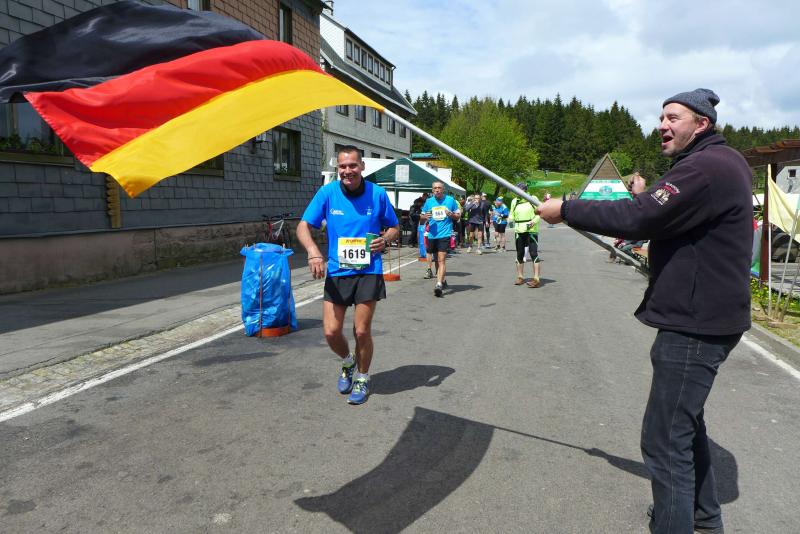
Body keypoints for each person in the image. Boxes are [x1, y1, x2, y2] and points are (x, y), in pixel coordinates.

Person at [536, 89, 752, 534]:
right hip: (705, 317)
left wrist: (568, 209)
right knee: (685, 427)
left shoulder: (704, 167)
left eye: (673, 117)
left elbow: (639, 215)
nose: (662, 125)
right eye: (661, 117)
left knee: (664, 439)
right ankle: (703, 519)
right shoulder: (719, 162)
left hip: (695, 324)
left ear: (702, 124)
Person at [296, 145, 400, 405]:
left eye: (353, 165)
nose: (347, 171)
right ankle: (348, 361)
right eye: (342, 166)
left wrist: (385, 239)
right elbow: (303, 226)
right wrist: (313, 252)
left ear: (362, 166)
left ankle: (362, 377)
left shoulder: (377, 194)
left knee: (361, 331)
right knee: (331, 332)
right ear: (337, 168)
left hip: (368, 270)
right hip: (337, 271)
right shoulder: (328, 193)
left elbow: (394, 227)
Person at [420, 181, 461, 297]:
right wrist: (424, 217)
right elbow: (421, 219)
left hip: (445, 234)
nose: (437, 190)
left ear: (443, 189)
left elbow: (458, 216)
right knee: (437, 260)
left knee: (441, 259)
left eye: (439, 188)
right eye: (435, 188)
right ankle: (442, 280)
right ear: (432, 190)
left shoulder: (450, 200)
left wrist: (451, 215)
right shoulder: (429, 201)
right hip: (432, 235)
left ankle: (438, 285)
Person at [509, 183, 542, 287]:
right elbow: (512, 214)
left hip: (531, 230)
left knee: (533, 253)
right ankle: (520, 277)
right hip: (519, 231)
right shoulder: (514, 201)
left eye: (519, 190)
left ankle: (536, 279)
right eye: (516, 190)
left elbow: (540, 213)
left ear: (524, 190)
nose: (517, 192)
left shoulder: (533, 198)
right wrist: (510, 219)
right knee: (520, 254)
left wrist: (533, 222)